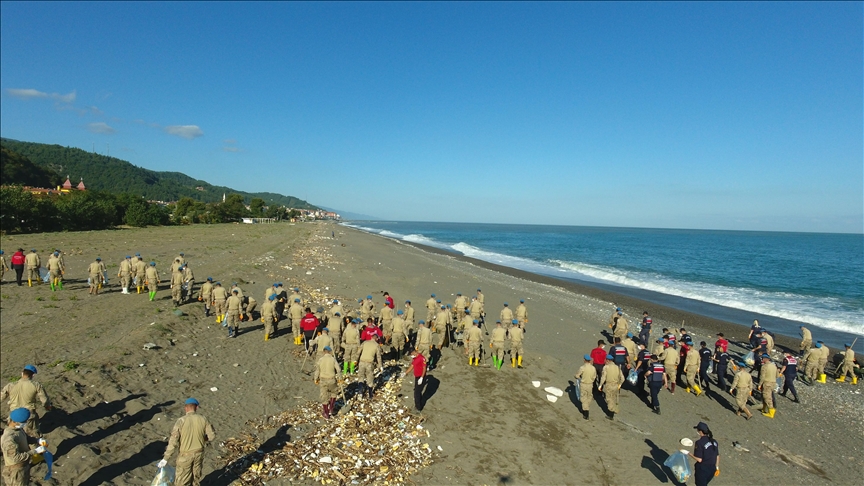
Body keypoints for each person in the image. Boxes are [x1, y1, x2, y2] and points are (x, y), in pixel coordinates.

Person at [158, 398, 216, 486]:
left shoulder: (181, 421)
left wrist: (166, 458)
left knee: (182, 481)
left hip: (185, 455)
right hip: (199, 454)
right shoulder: (203, 419)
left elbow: (173, 441)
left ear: (186, 408)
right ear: (196, 407)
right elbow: (212, 436)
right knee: (195, 479)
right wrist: (203, 438)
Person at [1, 365, 51, 436]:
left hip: (14, 415)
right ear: (33, 375)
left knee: (13, 435)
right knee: (32, 436)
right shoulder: (36, 385)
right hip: (29, 415)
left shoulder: (10, 385)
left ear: (22, 373)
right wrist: (47, 406)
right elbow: (44, 400)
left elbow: (1, 397)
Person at [2, 408, 46, 486]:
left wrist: (37, 440)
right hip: (15, 472)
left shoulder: (18, 429)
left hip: (22, 468)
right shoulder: (9, 439)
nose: (25, 423)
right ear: (14, 422)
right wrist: (35, 451)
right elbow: (16, 458)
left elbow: (24, 438)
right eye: (23, 422)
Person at [314, 346, 341, 418]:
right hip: (332, 379)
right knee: (334, 393)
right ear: (330, 352)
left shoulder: (320, 360)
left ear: (324, 352)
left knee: (324, 396)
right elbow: (338, 369)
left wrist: (316, 379)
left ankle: (326, 413)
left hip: (323, 380)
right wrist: (340, 378)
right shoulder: (333, 359)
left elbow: (317, 370)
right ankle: (331, 408)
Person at [598, 354, 624, 420]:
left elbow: (603, 377)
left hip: (609, 385)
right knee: (614, 398)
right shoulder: (617, 367)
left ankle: (610, 413)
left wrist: (600, 385)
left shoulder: (606, 367)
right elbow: (623, 378)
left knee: (609, 399)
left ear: (608, 360)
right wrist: (620, 384)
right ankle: (614, 409)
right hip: (616, 385)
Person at [574, 354, 597, 419]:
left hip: (584, 384)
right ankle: (587, 406)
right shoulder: (593, 368)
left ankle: (585, 412)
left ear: (584, 360)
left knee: (583, 397)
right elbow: (594, 376)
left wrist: (577, 376)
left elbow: (577, 375)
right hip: (590, 384)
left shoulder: (582, 368)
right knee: (589, 396)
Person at [757, 354, 778, 418]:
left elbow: (762, 377)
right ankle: (764, 408)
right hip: (773, 383)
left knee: (767, 397)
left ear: (766, 359)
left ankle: (771, 411)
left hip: (767, 383)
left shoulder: (764, 366)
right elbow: (777, 375)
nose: (762, 359)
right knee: (767, 396)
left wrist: (759, 384)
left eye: (763, 358)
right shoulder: (774, 366)